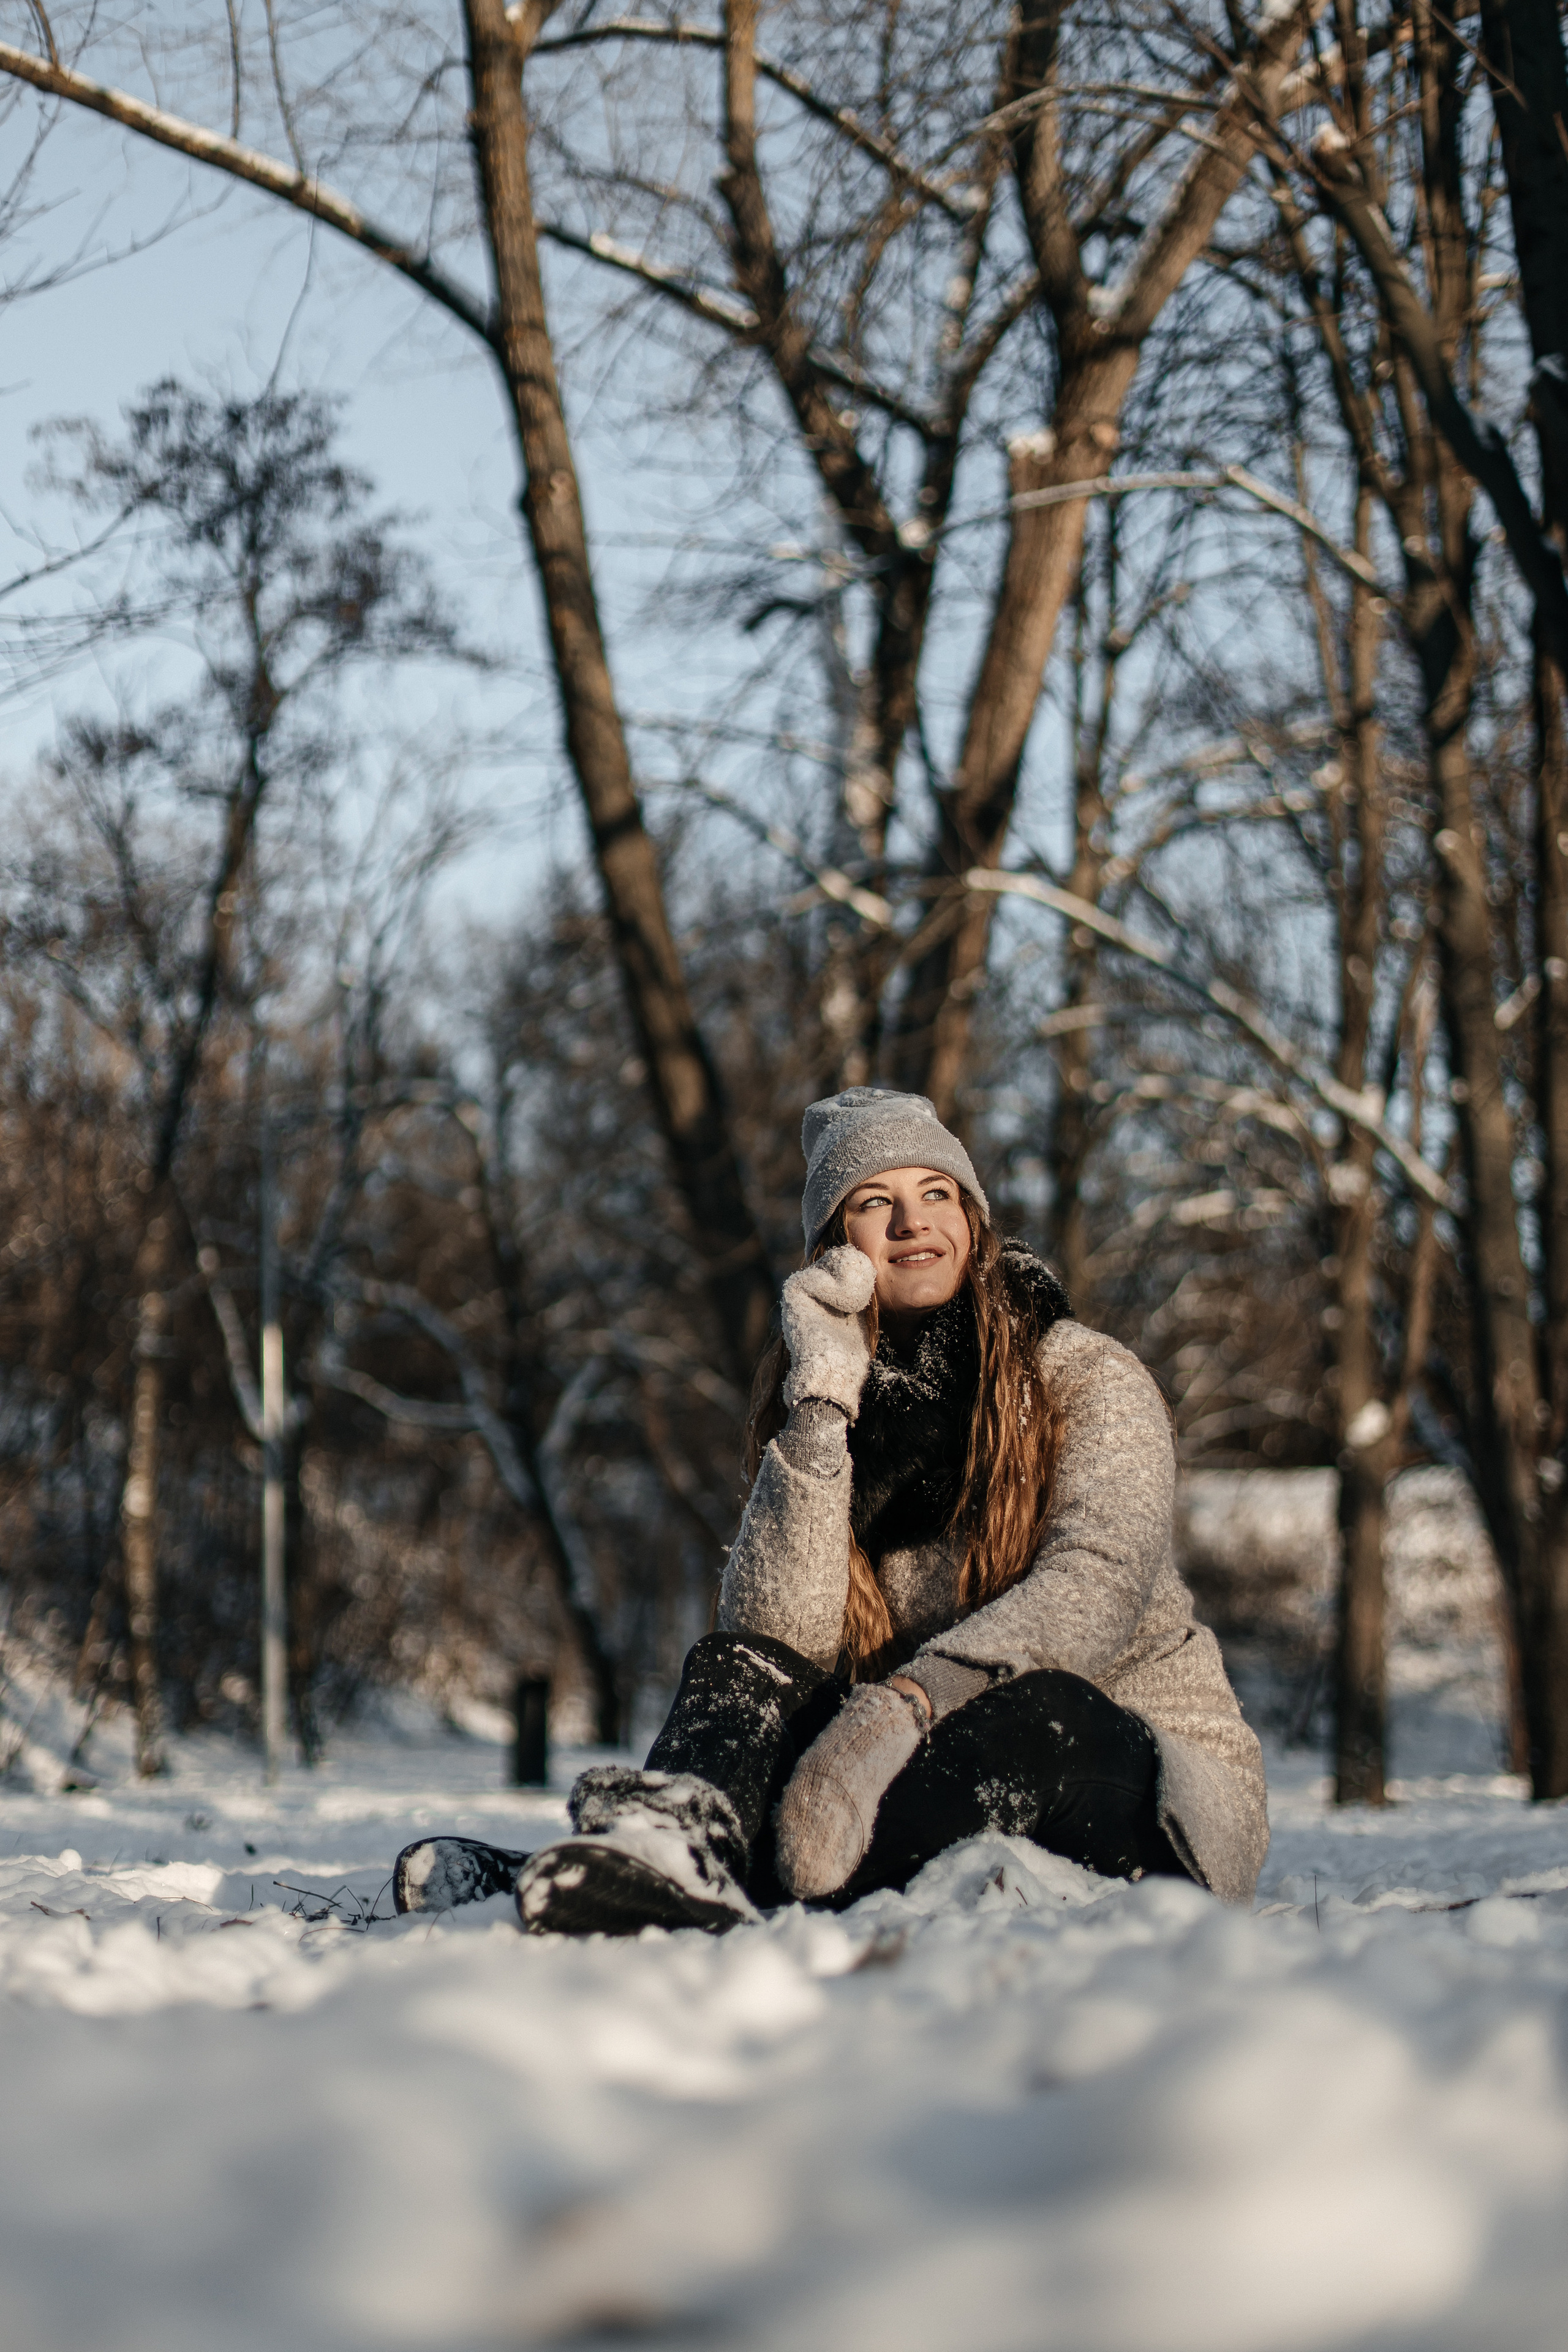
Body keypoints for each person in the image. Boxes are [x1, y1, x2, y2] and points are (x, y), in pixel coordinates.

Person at [393, 1088, 1268, 1934]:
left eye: (936, 1193)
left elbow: (1098, 1583)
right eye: (874, 1202)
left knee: (1031, 1713)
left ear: (973, 1221)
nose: (912, 1222)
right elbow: (780, 1639)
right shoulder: (830, 1400)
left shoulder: (1084, 1372)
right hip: (902, 1767)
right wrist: (821, 1407)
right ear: (834, 1249)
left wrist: (912, 1700)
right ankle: (656, 1852)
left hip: (1142, 1777)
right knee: (737, 1667)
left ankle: (678, 1882)